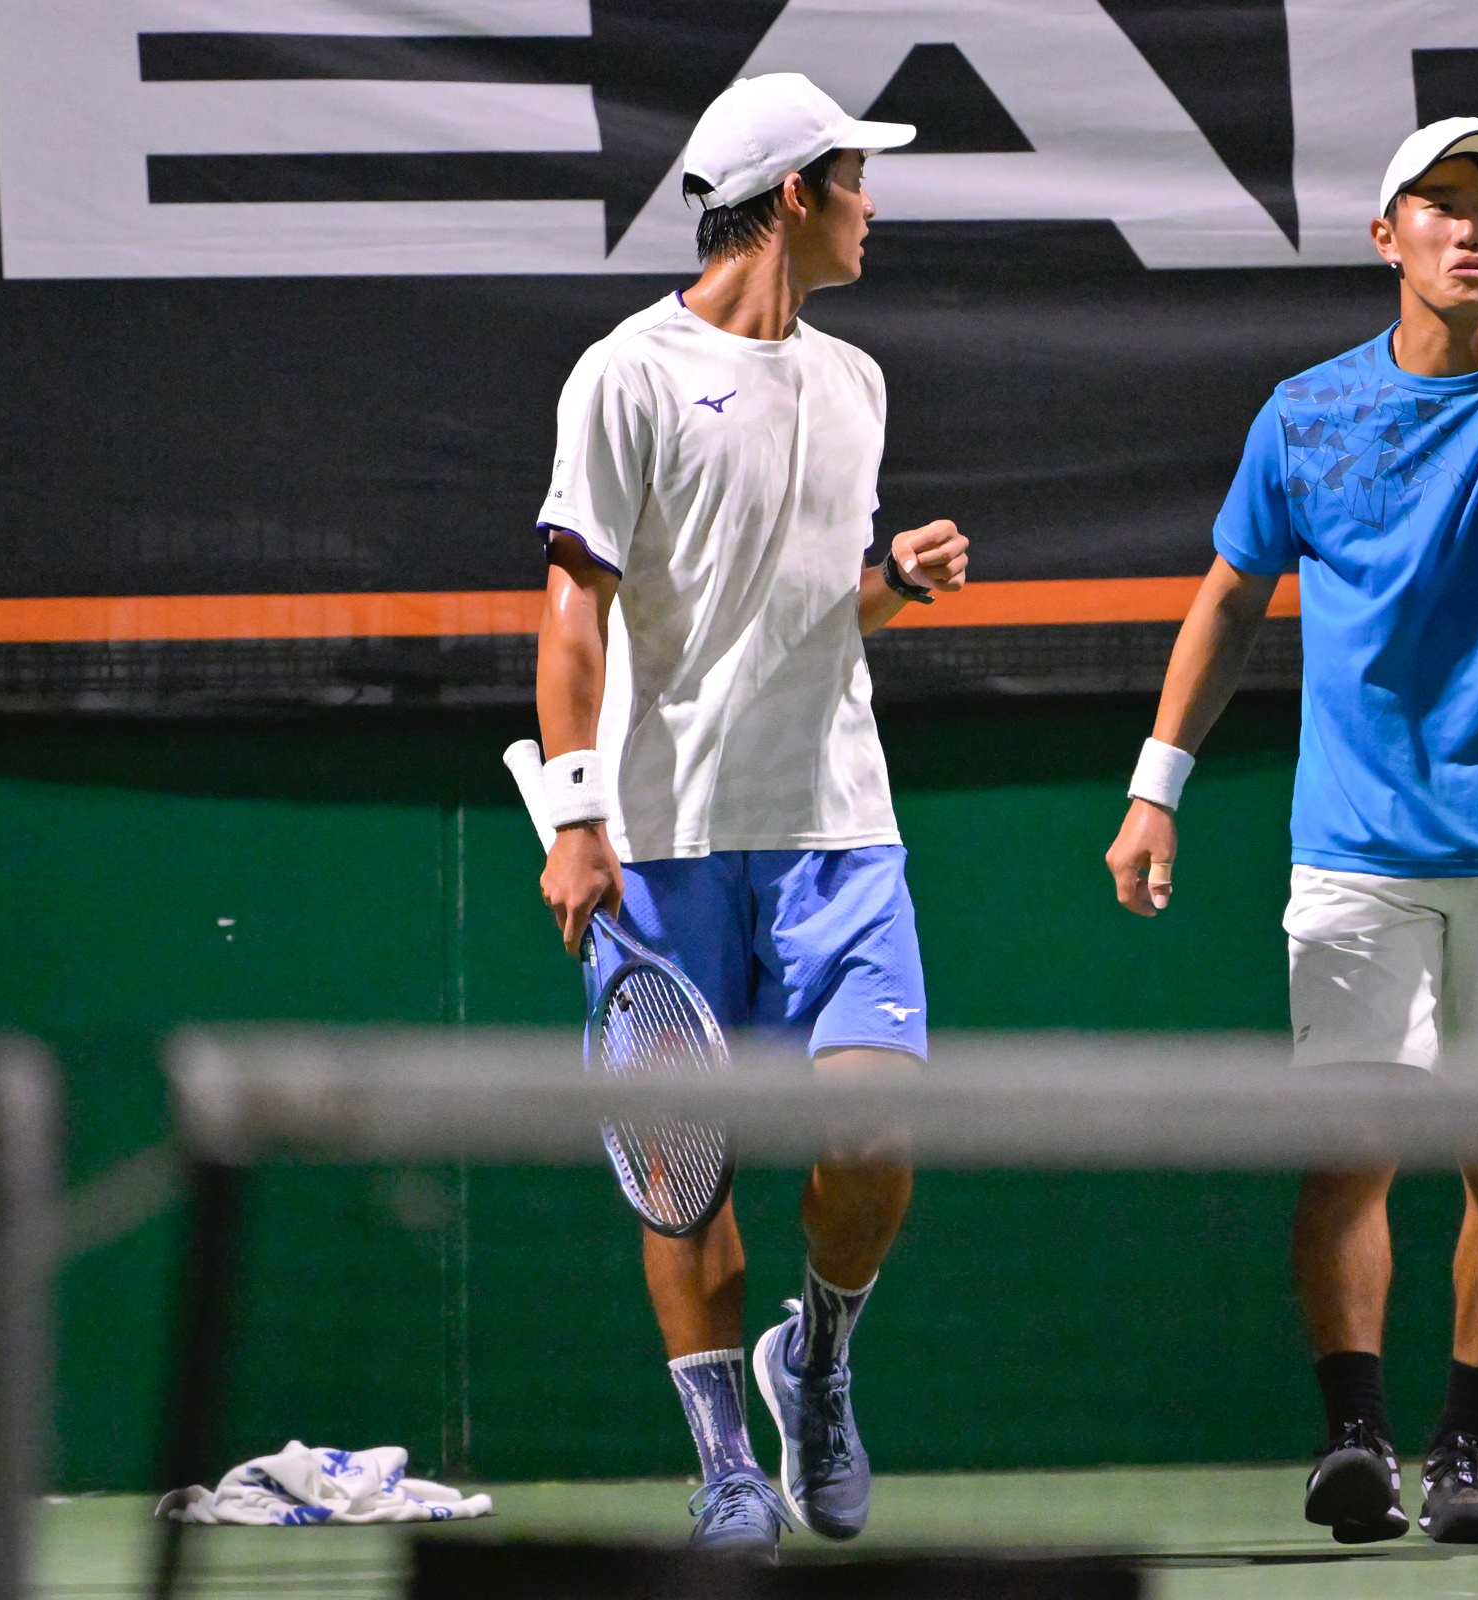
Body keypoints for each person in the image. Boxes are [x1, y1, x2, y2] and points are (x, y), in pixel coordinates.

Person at [1105, 117, 1478, 1546]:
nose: (1470, 229)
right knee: (1348, 1153)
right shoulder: (1305, 416)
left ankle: (1467, 1454)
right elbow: (1229, 599)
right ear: (1387, 238)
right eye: (1440, 205)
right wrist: (1155, 785)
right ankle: (1355, 1439)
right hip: (1355, 853)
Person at [532, 72, 969, 1557]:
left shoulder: (857, 383)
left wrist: (888, 586)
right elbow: (575, 614)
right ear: (794, 194)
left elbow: (800, 612)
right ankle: (724, 1463)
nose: (873, 205)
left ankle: (817, 1362)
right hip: (661, 840)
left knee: (877, 1133)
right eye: (857, 178)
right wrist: (575, 814)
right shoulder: (626, 375)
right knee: (683, 1173)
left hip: (840, 824)